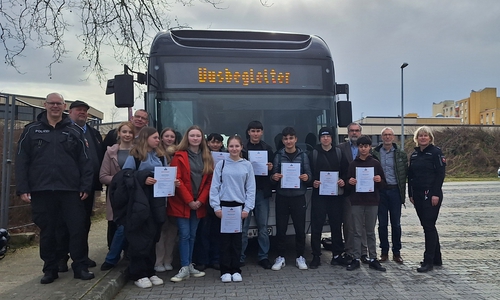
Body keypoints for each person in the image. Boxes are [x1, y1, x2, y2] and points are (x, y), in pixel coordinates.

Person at [15, 92, 94, 284]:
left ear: (64, 106)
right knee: (48, 230)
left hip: (70, 190)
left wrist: (85, 186)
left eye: (59, 103)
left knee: (77, 229)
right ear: (45, 105)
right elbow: (22, 161)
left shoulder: (75, 131)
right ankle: (50, 269)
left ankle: (80, 266)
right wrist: (23, 188)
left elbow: (85, 162)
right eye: (52, 103)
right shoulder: (31, 130)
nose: (55, 106)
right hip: (42, 190)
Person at [58, 100, 103, 272]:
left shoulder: (93, 133)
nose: (82, 113)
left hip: (88, 187)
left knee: (84, 223)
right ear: (69, 112)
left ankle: (82, 257)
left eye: (85, 111)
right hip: (68, 187)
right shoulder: (62, 130)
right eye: (79, 110)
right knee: (64, 224)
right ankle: (61, 257)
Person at [119, 127, 167, 288]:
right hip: (140, 201)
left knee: (153, 236)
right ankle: (138, 274)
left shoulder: (160, 155)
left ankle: (149, 270)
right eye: (155, 137)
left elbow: (165, 173)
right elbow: (125, 176)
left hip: (157, 200)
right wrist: (143, 178)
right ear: (146, 138)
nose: (158, 140)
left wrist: (171, 182)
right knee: (139, 237)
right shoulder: (135, 156)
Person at [167, 125, 214, 282]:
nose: (195, 138)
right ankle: (184, 266)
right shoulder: (178, 156)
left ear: (202, 139)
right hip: (182, 203)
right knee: (184, 234)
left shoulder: (206, 156)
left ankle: (189, 265)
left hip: (198, 203)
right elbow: (177, 179)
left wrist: (200, 201)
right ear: (187, 137)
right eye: (192, 135)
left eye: (198, 136)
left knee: (193, 235)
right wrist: (189, 201)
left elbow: (209, 181)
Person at [210, 135, 256, 282]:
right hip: (224, 206)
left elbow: (251, 189)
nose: (234, 149)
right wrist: (216, 207)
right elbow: (214, 187)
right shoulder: (221, 164)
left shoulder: (247, 165)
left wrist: (247, 208)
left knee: (237, 241)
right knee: (224, 241)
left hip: (239, 207)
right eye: (231, 146)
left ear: (241, 147)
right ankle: (225, 270)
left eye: (237, 146)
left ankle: (236, 269)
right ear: (227, 147)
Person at [270, 126, 312, 271]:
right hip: (282, 197)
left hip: (298, 197)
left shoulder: (304, 155)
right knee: (281, 229)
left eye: (291, 138)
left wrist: (307, 177)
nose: (288, 141)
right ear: (283, 140)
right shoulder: (278, 155)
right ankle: (280, 257)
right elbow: (273, 176)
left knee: (300, 229)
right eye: (286, 139)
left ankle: (300, 257)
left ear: (296, 139)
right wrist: (274, 177)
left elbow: (309, 176)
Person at [308, 127, 350, 269]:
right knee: (316, 225)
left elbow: (346, 171)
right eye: (323, 136)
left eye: (328, 136)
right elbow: (308, 173)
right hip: (319, 195)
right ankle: (316, 256)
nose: (325, 139)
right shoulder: (313, 153)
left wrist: (343, 180)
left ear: (332, 138)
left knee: (336, 225)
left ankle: (337, 255)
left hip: (335, 196)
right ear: (320, 139)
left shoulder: (339, 153)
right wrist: (312, 181)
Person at [345, 135, 387, 272]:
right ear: (358, 147)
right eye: (361, 146)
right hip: (356, 202)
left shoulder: (375, 163)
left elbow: (383, 184)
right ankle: (356, 258)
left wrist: (379, 180)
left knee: (370, 231)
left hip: (372, 201)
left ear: (370, 148)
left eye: (366, 146)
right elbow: (346, 185)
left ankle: (373, 258)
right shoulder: (353, 164)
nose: (363, 149)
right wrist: (349, 183)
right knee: (357, 231)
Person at [408, 126, 446, 273]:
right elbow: (410, 176)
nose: (423, 138)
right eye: (420, 136)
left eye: (425, 135)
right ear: (416, 138)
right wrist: (410, 193)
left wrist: (435, 193)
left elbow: (440, 174)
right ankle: (437, 258)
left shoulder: (436, 152)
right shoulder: (415, 154)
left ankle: (428, 261)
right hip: (417, 195)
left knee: (428, 226)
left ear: (430, 138)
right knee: (428, 226)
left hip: (431, 195)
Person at [99, 122, 135, 271]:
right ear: (119, 133)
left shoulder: (139, 151)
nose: (127, 135)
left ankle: (120, 257)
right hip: (117, 195)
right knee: (119, 226)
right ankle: (112, 257)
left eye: (130, 132)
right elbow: (103, 176)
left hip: (134, 195)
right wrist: (121, 180)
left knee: (128, 227)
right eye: (124, 132)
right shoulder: (110, 152)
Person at [241, 120, 274, 269]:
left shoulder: (268, 148)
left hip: (261, 192)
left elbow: (274, 172)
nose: (255, 134)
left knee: (263, 227)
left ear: (262, 132)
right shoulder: (242, 149)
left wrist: (271, 167)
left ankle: (263, 257)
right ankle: (240, 256)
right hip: (244, 193)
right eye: (253, 131)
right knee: (243, 227)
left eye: (258, 131)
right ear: (248, 132)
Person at [372, 127, 408, 264]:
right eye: (385, 135)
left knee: (396, 224)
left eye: (390, 135)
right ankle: (384, 252)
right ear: (382, 137)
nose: (387, 137)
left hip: (395, 192)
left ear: (393, 137)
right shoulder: (375, 153)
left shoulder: (401, 154)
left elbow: (405, 173)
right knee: (382, 224)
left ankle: (397, 252)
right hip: (380, 191)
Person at [337, 122, 369, 263]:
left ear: (360, 132)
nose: (354, 133)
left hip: (365, 193)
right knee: (349, 224)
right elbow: (338, 169)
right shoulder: (340, 148)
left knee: (363, 224)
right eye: (352, 131)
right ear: (348, 132)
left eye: (357, 131)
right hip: (348, 192)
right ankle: (349, 251)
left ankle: (363, 252)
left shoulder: (368, 150)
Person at [192, 133, 224, 271]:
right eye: (212, 142)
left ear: (222, 144)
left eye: (218, 142)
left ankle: (216, 259)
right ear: (208, 143)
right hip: (204, 196)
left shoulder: (227, 157)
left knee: (217, 231)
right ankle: (202, 260)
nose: (215, 144)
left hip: (221, 197)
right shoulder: (202, 156)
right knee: (203, 231)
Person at [154, 127, 179, 272]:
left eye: (172, 136)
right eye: (166, 136)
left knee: (172, 230)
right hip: (160, 197)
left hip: (175, 197)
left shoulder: (178, 154)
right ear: (162, 138)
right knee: (161, 230)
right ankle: (159, 261)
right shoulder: (155, 154)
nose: (169, 139)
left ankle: (168, 260)